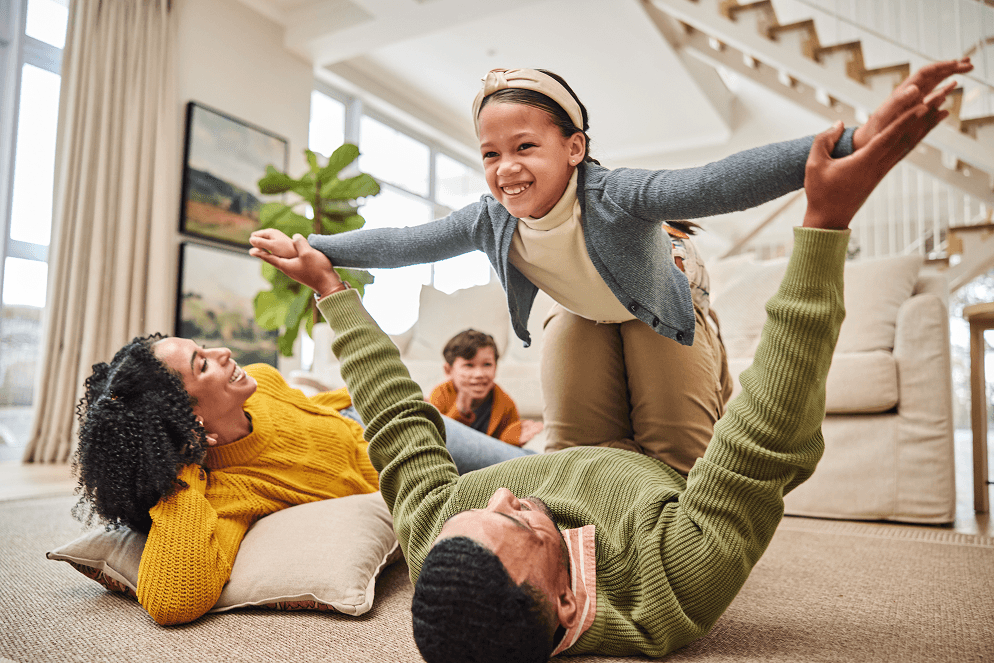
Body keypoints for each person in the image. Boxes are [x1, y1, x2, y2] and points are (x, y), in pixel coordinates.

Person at [250, 56, 969, 662]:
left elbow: (397, 423)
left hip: (590, 378)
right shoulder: (674, 576)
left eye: (521, 147)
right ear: (566, 604)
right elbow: (765, 438)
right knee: (643, 325)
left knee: (567, 327)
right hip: (669, 459)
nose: (497, 497)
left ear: (575, 148)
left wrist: (326, 276)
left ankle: (617, 301)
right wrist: (829, 209)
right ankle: (677, 302)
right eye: (519, 522)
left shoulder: (450, 531)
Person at [304, 61, 964, 476]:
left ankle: (698, 356)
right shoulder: (490, 218)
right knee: (577, 446)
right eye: (491, 153)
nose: (506, 168)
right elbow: (407, 242)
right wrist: (316, 246)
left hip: (662, 292)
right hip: (585, 309)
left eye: (525, 146)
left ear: (574, 148)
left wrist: (852, 139)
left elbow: (715, 182)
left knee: (675, 449)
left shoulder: (614, 195)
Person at [71, 337, 534, 626]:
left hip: (383, 423)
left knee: (532, 468)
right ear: (188, 421)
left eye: (203, 347)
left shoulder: (263, 380)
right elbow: (172, 600)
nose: (223, 352)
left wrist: (380, 400)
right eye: (203, 364)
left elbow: (320, 410)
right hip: (403, 474)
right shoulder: (227, 493)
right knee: (530, 495)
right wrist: (179, 471)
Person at [429, 328, 543, 446]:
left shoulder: (506, 404)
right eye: (469, 365)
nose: (479, 374)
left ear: (496, 368)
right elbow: (435, 440)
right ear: (448, 370)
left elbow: (504, 450)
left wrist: (512, 440)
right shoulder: (440, 395)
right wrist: (460, 412)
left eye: (487, 364)